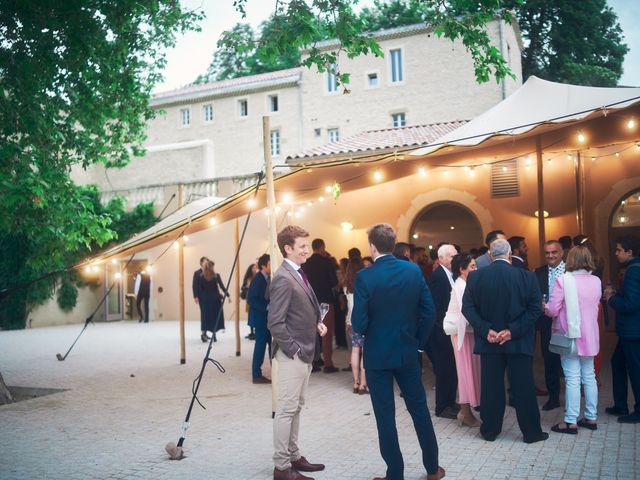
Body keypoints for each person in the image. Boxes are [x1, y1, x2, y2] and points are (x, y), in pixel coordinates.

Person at [352, 223, 444, 480]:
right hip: (407, 352)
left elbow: (358, 322)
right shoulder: (412, 270)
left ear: (372, 246)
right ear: (393, 245)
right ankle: (433, 469)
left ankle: (395, 474)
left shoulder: (365, 277)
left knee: (385, 417)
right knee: (419, 410)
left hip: (378, 356)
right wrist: (418, 343)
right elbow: (429, 311)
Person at [461, 239, 548, 444]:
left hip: (489, 341)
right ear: (509, 255)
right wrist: (512, 331)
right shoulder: (527, 276)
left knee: (491, 388)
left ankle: (490, 431)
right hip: (518, 341)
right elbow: (536, 309)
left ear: (490, 256)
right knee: (524, 387)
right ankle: (531, 433)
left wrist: (486, 330)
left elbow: (468, 308)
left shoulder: (475, 277)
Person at [268, 225, 327, 480]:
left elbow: (300, 311)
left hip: (305, 353)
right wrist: (294, 350)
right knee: (286, 410)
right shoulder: (282, 277)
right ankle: (281, 468)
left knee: (297, 408)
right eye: (302, 246)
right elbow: (275, 322)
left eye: (306, 245)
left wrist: (317, 323)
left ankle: (293, 455)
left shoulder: (298, 273)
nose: (307, 250)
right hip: (294, 355)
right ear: (288, 249)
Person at [545, 245, 601, 434]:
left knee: (572, 378)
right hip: (591, 334)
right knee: (589, 376)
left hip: (570, 334)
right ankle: (591, 417)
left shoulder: (563, 280)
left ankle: (570, 421)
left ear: (570, 259)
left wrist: (544, 306)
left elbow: (552, 310)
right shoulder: (596, 281)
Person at [604, 235, 640, 424]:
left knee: (635, 369)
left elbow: (631, 304)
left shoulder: (633, 271)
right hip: (630, 330)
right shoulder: (633, 268)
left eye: (619, 250)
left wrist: (610, 298)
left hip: (633, 331)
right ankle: (620, 405)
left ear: (629, 252)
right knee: (617, 362)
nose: (616, 253)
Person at [443, 253, 481, 427]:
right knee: (465, 372)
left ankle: (465, 411)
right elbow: (467, 311)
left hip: (466, 334)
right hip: (462, 335)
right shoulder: (460, 285)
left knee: (468, 371)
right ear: (462, 269)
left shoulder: (465, 284)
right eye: (472, 266)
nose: (475, 269)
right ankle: (465, 413)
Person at [428, 243, 459, 419]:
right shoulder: (438, 276)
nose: (455, 259)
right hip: (440, 332)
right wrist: (444, 326)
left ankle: (450, 402)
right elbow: (435, 307)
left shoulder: (450, 274)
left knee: (451, 369)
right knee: (443, 370)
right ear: (441, 259)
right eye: (451, 256)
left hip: (449, 329)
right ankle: (442, 407)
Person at [533, 240, 564, 410]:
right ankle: (553, 397)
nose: (550, 256)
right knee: (550, 360)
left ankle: (575, 392)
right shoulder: (538, 272)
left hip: (566, 323)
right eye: (547, 253)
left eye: (554, 252)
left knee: (569, 360)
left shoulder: (571, 271)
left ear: (561, 253)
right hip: (546, 324)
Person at [301, 238, 339, 373]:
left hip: (310, 302)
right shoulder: (327, 262)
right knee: (326, 333)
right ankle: (328, 364)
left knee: (311, 333)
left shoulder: (305, 264)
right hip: (325, 301)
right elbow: (334, 282)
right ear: (322, 247)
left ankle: (313, 362)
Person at [345, 250, 366, 394]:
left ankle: (355, 382)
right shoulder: (365, 284)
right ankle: (364, 384)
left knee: (355, 350)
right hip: (364, 321)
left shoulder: (347, 287)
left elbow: (349, 307)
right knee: (366, 353)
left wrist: (348, 320)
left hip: (352, 322)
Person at [194, 259, 230, 343]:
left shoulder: (201, 276)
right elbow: (221, 286)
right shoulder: (216, 276)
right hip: (215, 300)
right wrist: (227, 295)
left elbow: (200, 289)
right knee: (215, 317)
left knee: (206, 317)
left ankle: (204, 333)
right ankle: (214, 335)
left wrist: (201, 298)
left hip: (206, 301)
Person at [250, 254, 272, 384]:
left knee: (271, 346)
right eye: (270, 263)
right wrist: (268, 306)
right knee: (260, 346)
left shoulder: (268, 277)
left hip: (267, 319)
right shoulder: (258, 279)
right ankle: (256, 375)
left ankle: (275, 371)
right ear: (264, 265)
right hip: (260, 319)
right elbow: (251, 300)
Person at [242, 261, 259, 340]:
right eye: (253, 268)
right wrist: (246, 287)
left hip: (257, 298)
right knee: (250, 315)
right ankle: (251, 332)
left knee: (256, 315)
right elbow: (243, 287)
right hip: (249, 298)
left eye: (256, 267)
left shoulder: (258, 276)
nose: (255, 269)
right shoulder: (248, 278)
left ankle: (256, 332)